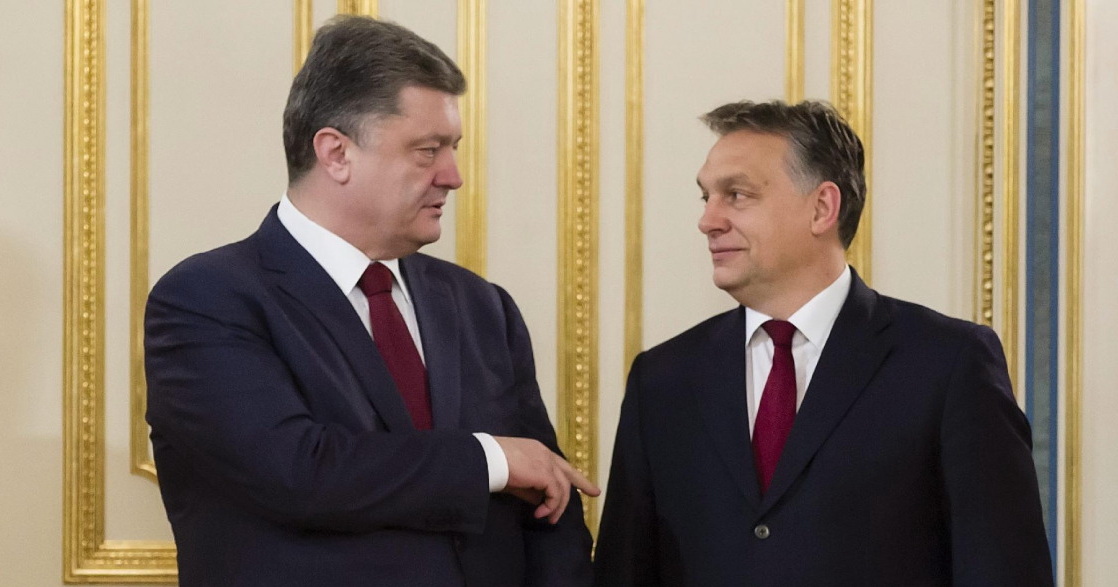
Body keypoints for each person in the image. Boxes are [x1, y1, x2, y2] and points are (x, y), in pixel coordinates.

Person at [144, 15, 597, 587]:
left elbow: (549, 502)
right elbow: (296, 471)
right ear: (335, 153)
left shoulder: (482, 306)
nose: (453, 176)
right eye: (427, 151)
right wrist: (490, 459)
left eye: (453, 148)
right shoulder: (207, 299)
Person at [593, 99, 1053, 586]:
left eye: (736, 195)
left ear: (822, 208)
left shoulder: (948, 363)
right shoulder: (662, 381)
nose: (708, 220)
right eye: (706, 197)